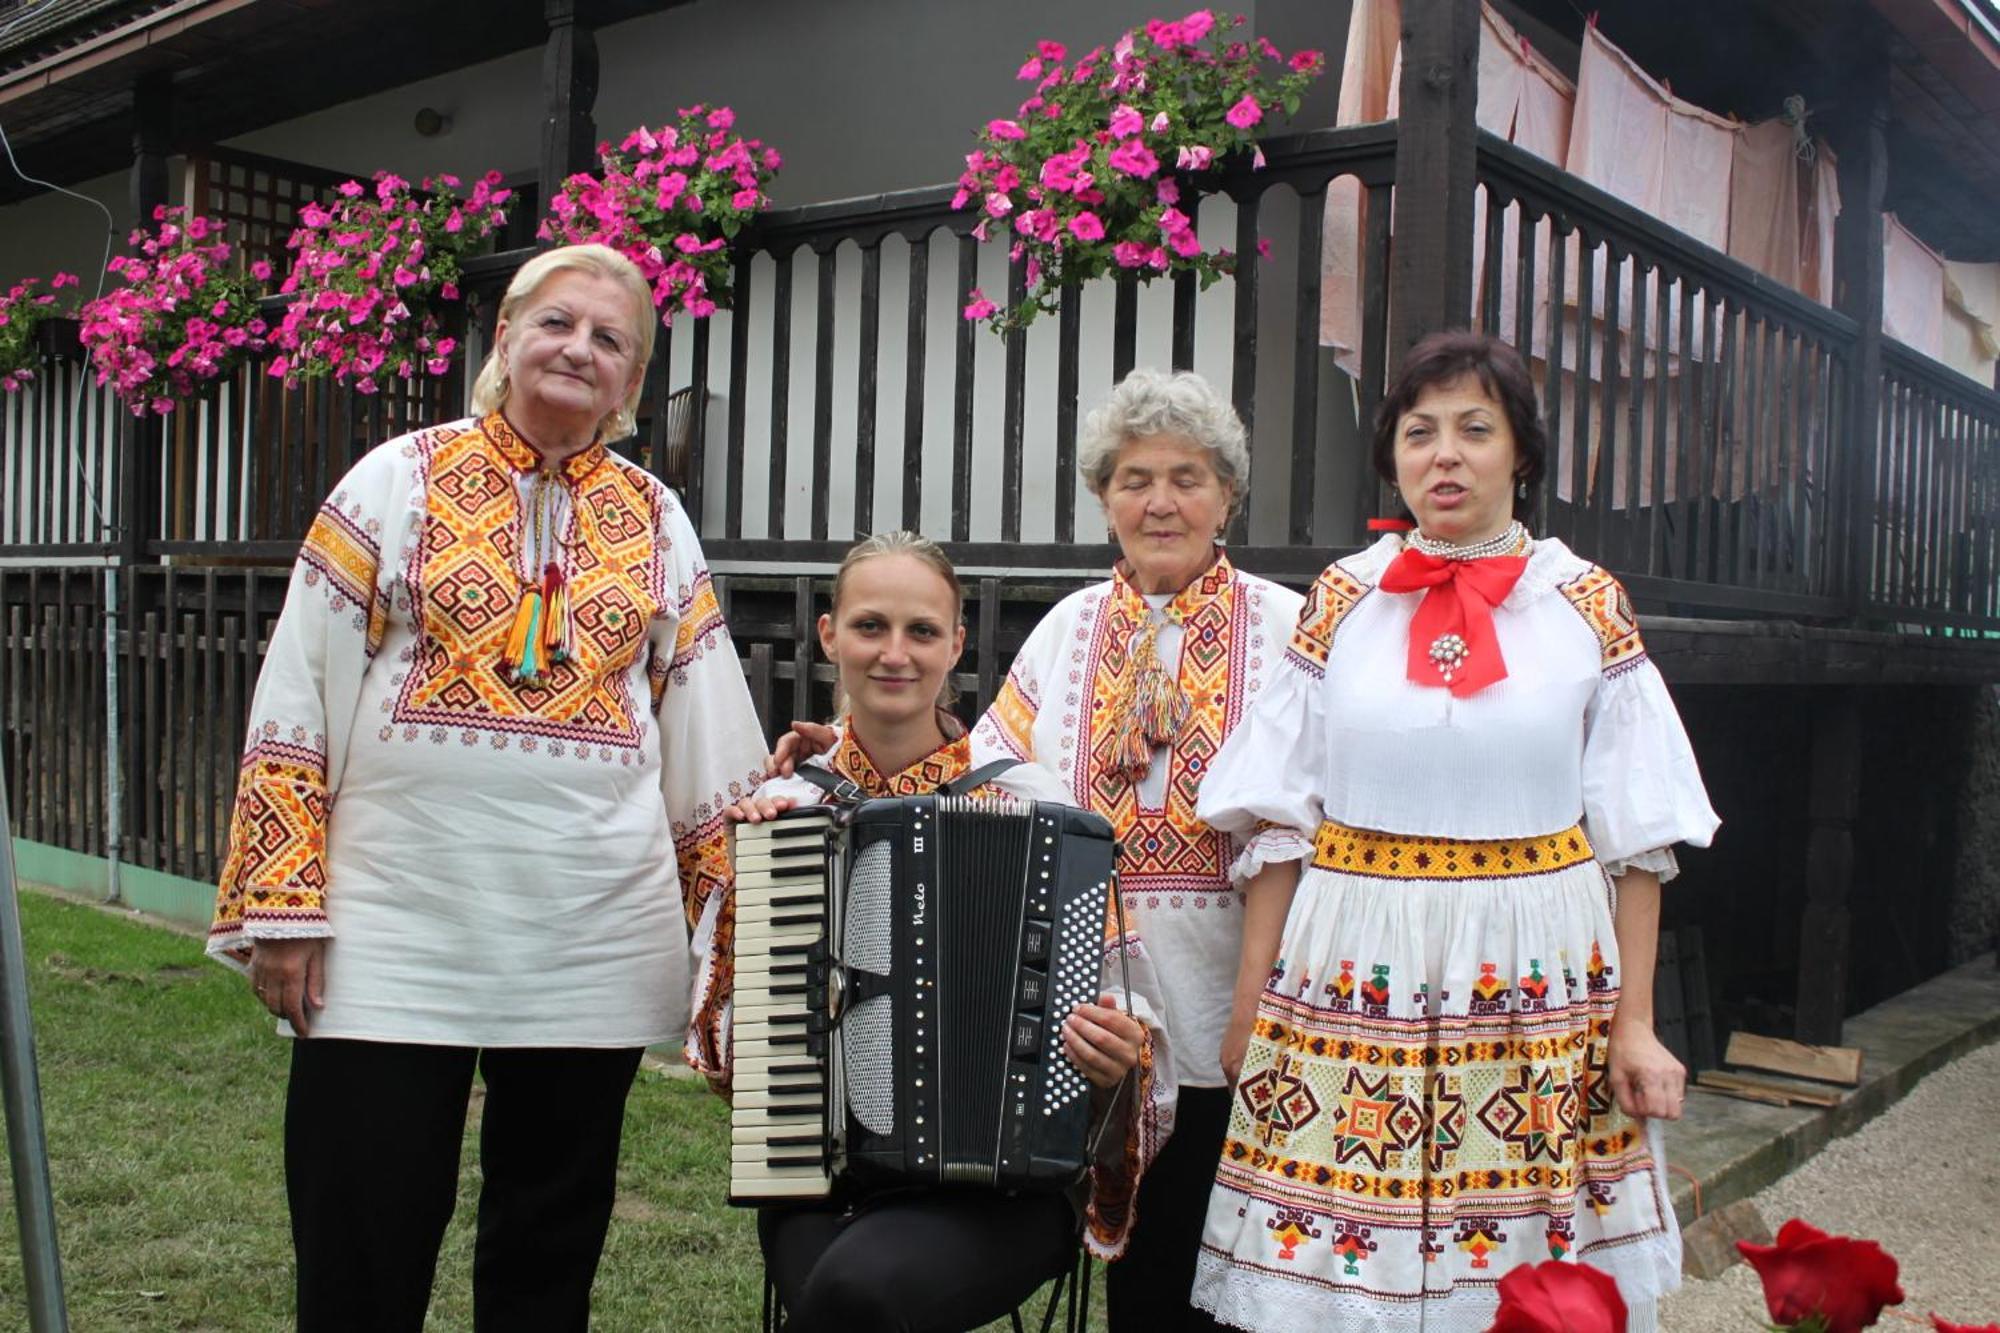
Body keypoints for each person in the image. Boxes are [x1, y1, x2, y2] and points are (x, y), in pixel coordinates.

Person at [205, 243, 769, 1332]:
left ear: (631, 384)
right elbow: (300, 688)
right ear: (503, 337)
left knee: (545, 1251)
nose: (577, 349)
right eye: (556, 323)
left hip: (588, 931)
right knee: (360, 1233)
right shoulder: (396, 477)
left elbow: (705, 722)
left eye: (610, 340)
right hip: (391, 924)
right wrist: (285, 903)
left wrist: (733, 922)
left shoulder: (654, 519)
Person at [1188, 330, 1718, 1332]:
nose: (1444, 453)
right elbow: (1275, 819)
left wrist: (1634, 1021)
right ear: (1391, 455)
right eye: (1418, 431)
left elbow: (1635, 841)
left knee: (1526, 1281)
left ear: (1519, 451)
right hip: (1352, 975)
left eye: (1474, 428)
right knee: (1351, 1279)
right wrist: (1249, 1005)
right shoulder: (1339, 602)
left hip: (1536, 980)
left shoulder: (1585, 603)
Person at [696, 531, 1168, 1332]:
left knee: (855, 1299)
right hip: (822, 1174)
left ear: (956, 642)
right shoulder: (789, 816)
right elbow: (719, 1044)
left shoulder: (1035, 808)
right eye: (870, 626)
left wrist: (1119, 1053)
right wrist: (768, 977)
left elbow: (1128, 1011)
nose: (895, 653)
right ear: (829, 636)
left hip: (1010, 1186)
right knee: (856, 1295)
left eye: (921, 631)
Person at [966, 369, 1306, 1327]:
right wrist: (850, 747)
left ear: (1228, 495)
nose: (1161, 501)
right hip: (1101, 1019)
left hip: (1242, 1007)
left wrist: (1256, 1014)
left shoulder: (1289, 627)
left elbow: (1311, 824)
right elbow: (986, 770)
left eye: (1187, 477)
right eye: (1135, 478)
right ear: (1105, 497)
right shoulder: (1070, 627)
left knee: (1242, 1279)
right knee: (1143, 1288)